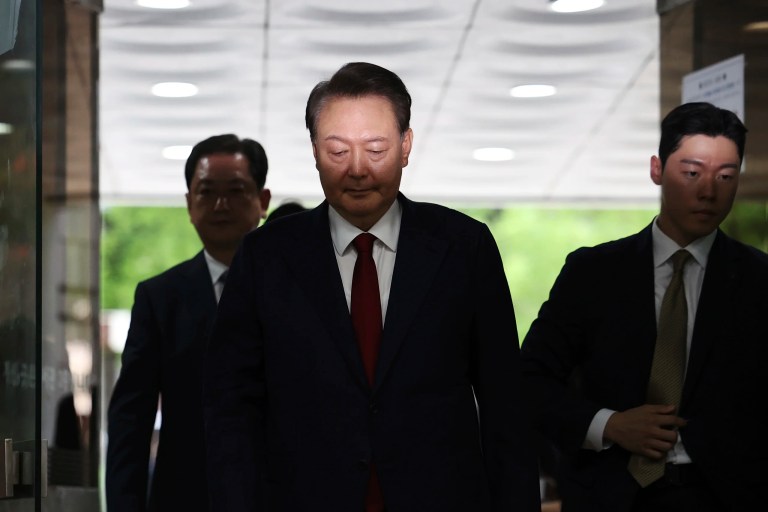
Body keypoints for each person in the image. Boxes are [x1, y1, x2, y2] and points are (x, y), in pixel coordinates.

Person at [203, 62, 540, 512]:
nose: (358, 170)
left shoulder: (464, 248)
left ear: (406, 146)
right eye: (338, 151)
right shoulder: (266, 257)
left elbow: (505, 405)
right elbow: (231, 408)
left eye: (376, 149)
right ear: (314, 150)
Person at [520, 102, 768, 512]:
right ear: (657, 169)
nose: (708, 191)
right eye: (692, 173)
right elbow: (528, 380)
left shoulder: (759, 281)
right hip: (611, 494)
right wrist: (609, 424)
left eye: (726, 176)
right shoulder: (593, 273)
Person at [106, 134, 271, 512]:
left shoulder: (294, 291)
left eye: (236, 191)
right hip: (184, 497)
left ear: (262, 201)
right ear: (188, 204)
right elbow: (131, 420)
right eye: (206, 192)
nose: (220, 205)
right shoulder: (160, 299)